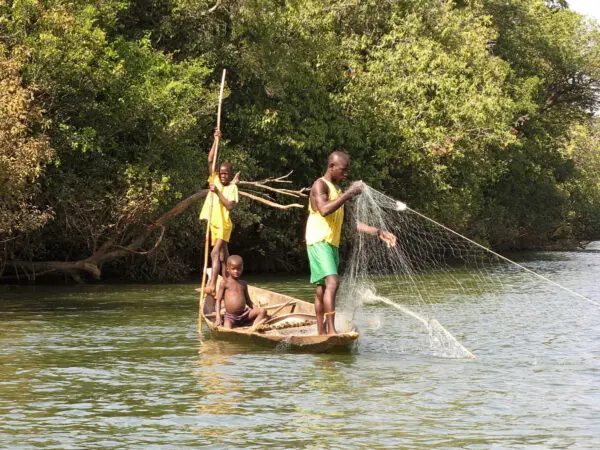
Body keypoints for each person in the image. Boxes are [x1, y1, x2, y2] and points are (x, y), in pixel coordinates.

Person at [306, 151, 397, 335]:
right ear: (331, 166)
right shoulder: (319, 185)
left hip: (331, 243)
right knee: (332, 282)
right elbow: (324, 209)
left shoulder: (337, 191)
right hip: (318, 241)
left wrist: (378, 231)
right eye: (343, 170)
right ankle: (331, 330)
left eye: (347, 171)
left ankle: (321, 332)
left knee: (322, 288)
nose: (346, 174)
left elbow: (351, 222)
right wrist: (349, 193)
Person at [200, 130, 239, 295]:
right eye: (221, 173)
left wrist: (217, 192)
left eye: (226, 174)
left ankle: (212, 285)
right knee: (223, 255)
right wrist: (216, 140)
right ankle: (229, 279)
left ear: (230, 175)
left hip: (224, 225)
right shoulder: (214, 179)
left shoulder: (232, 188)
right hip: (214, 223)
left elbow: (229, 206)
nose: (223, 176)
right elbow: (210, 160)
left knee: (215, 252)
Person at [214, 255, 268, 329]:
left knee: (262, 311)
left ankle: (254, 328)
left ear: (242, 268)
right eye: (233, 269)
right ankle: (248, 326)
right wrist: (218, 317)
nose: (236, 271)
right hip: (231, 317)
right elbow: (218, 300)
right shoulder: (224, 283)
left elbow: (248, 301)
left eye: (239, 269)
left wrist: (255, 307)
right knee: (226, 329)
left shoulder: (243, 284)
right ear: (227, 269)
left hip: (244, 315)